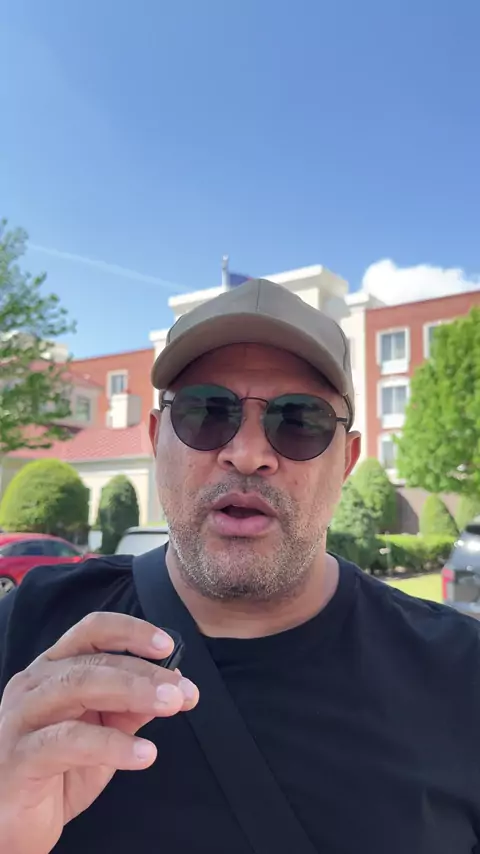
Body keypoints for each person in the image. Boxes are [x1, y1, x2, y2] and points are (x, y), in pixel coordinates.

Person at [0, 278, 479, 854]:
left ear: (347, 462)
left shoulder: (461, 674)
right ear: (156, 440)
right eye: (205, 413)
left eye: (299, 421)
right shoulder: (28, 633)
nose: (248, 455)